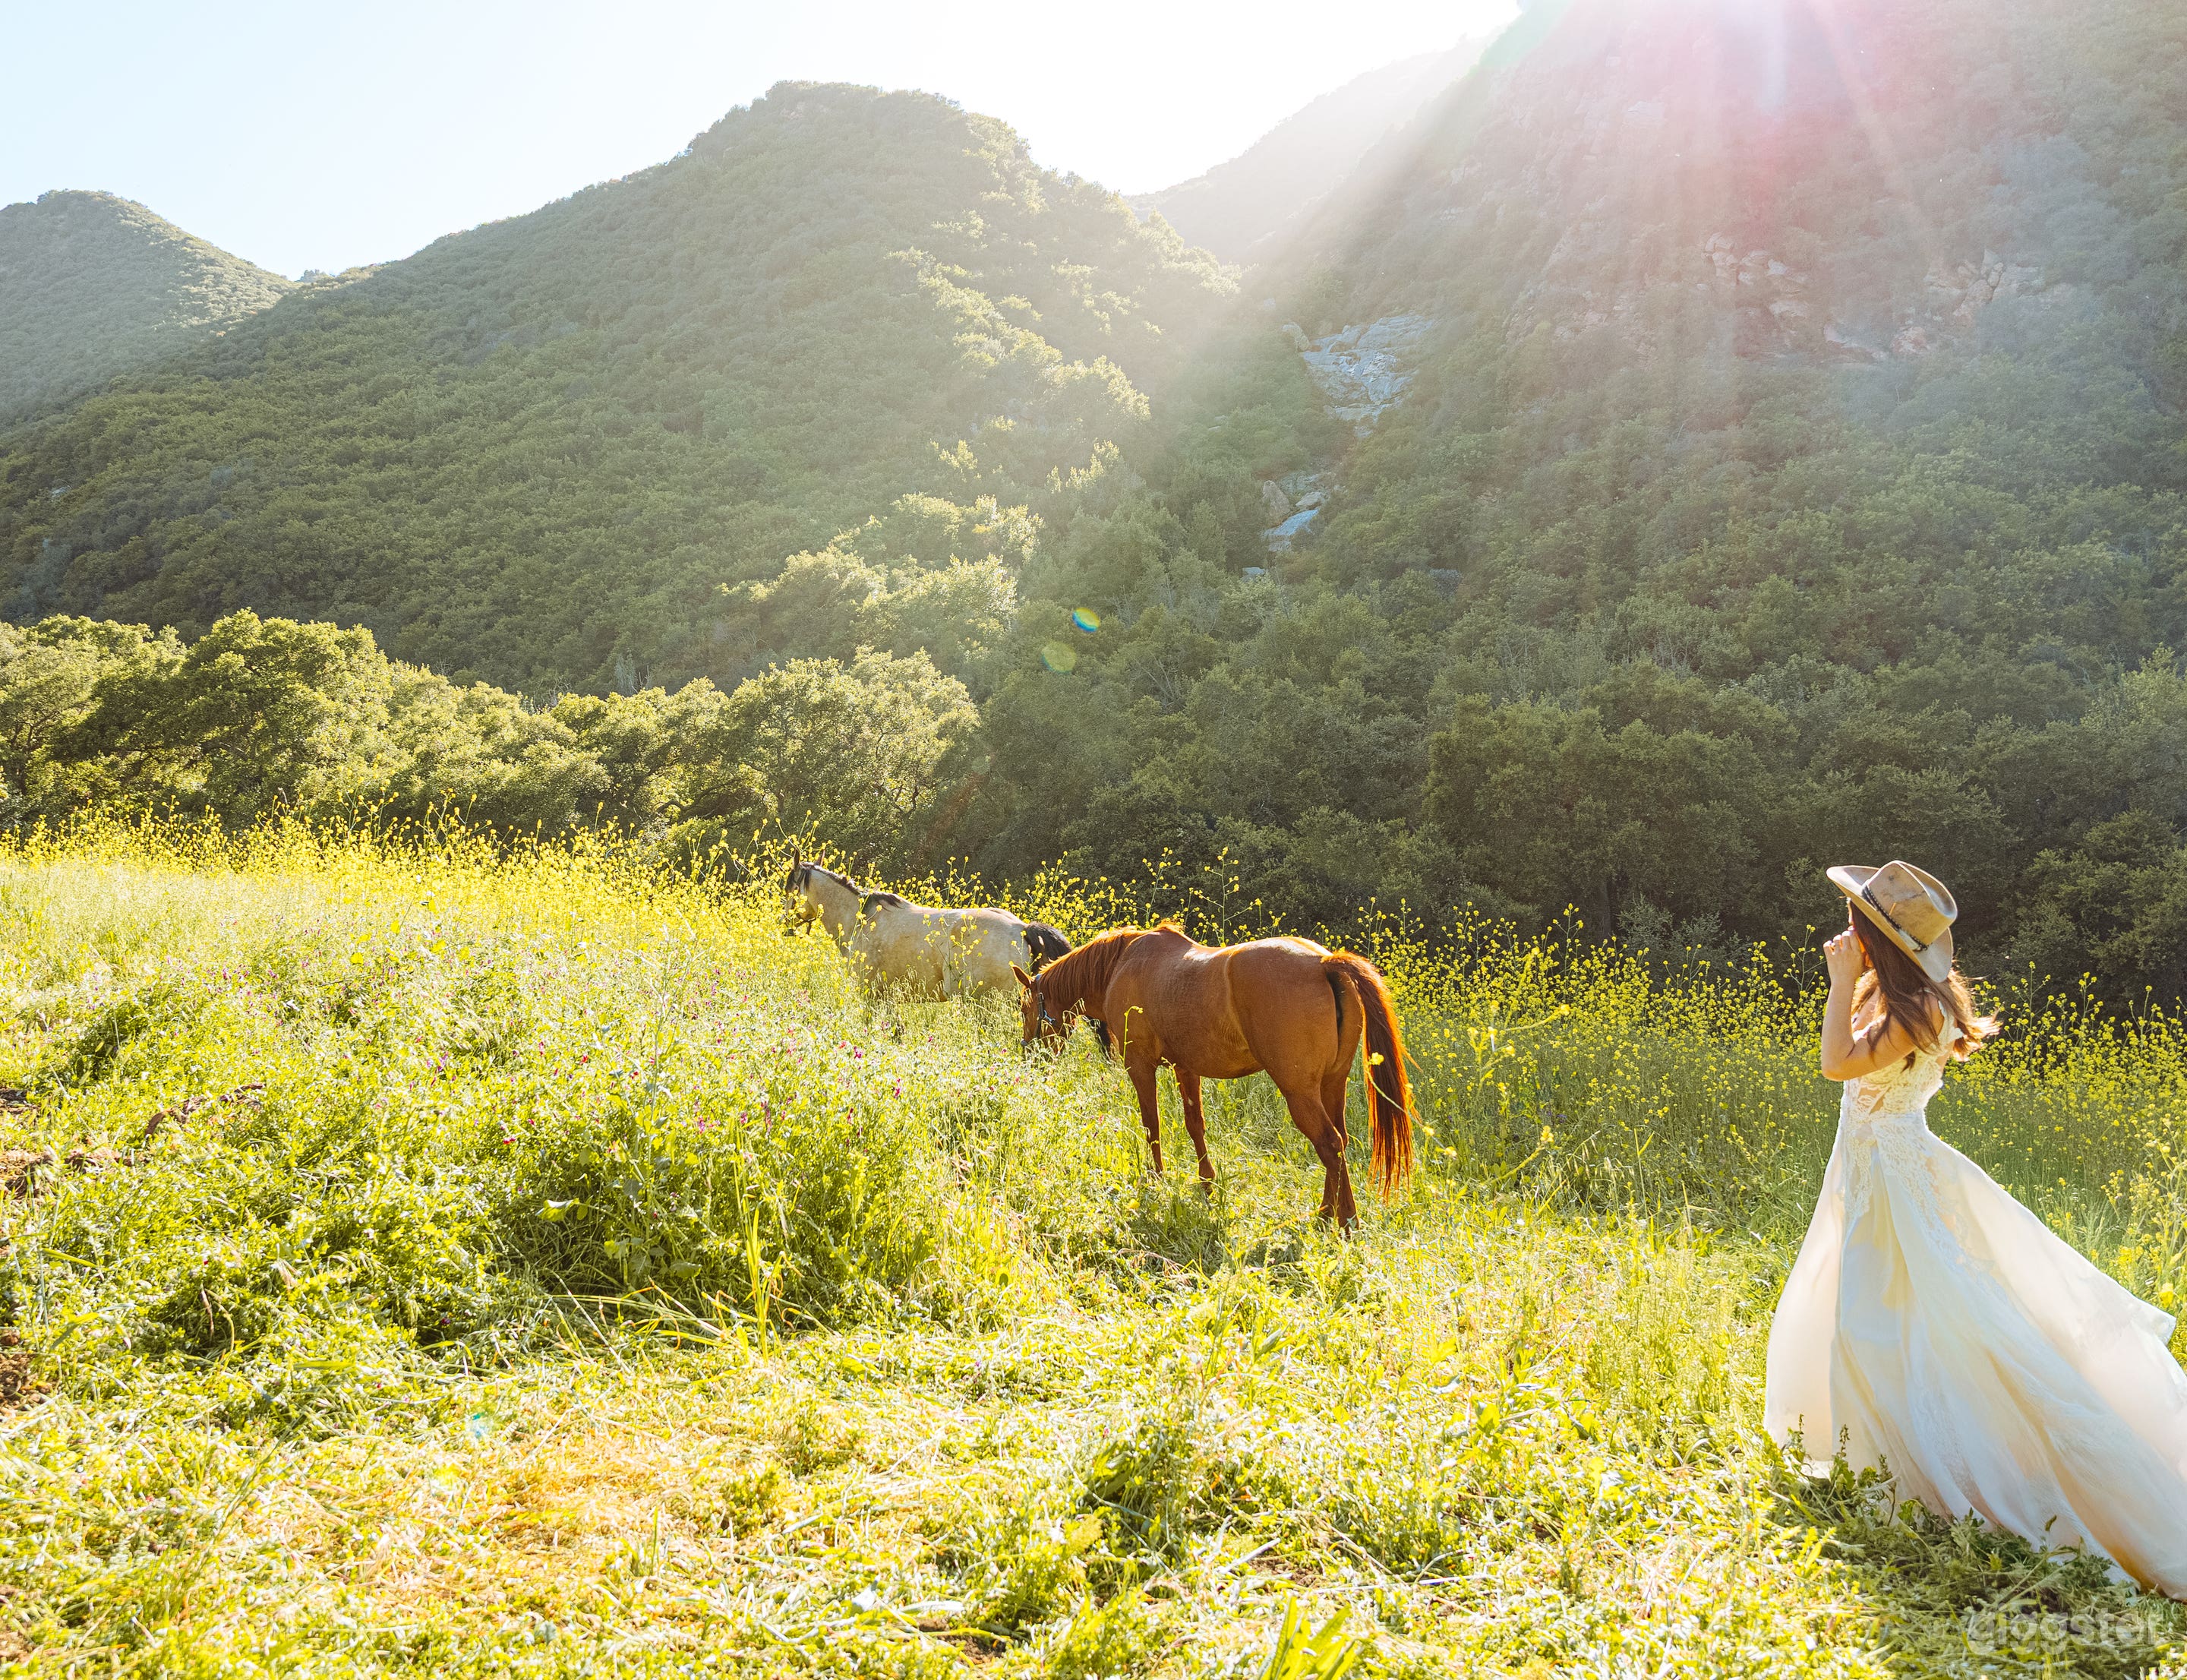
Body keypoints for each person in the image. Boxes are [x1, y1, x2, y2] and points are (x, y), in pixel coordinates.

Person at [1765, 861, 2187, 1595]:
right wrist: (1853, 983)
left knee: (1920, 1317)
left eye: (1857, 924)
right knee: (1876, 1309)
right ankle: (1869, 1445)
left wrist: (1837, 984)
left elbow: (1837, 1063)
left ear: (1879, 938)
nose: (1846, 932)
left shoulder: (1922, 1007)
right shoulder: (1895, 991)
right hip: (1871, 1168)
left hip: (1898, 1175)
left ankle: (1948, 1462)